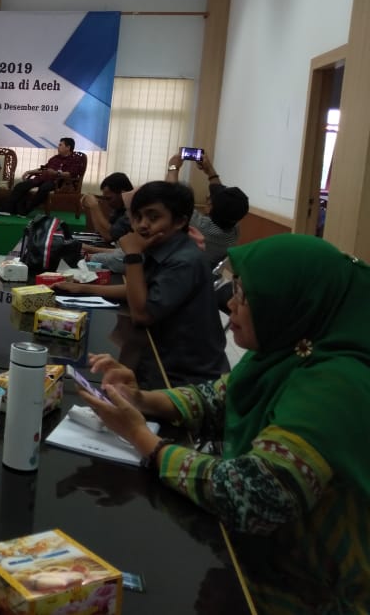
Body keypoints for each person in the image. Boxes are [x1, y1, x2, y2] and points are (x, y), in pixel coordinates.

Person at [80, 234, 370, 613]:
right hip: (264, 562)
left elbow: (252, 494)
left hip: (309, 591)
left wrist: (142, 438)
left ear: (293, 303)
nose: (230, 303)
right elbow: (217, 399)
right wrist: (142, 399)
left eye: (244, 296)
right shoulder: (289, 349)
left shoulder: (334, 385)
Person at [53, 181, 229, 386]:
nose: (143, 225)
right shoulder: (164, 246)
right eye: (138, 217)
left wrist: (133, 255)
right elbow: (140, 289)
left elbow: (142, 315)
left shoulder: (184, 261)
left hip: (185, 376)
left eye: (153, 217)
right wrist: (83, 288)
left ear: (180, 221)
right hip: (164, 356)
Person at [167, 151, 249, 267]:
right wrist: (210, 171)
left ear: (210, 207)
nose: (207, 197)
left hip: (188, 271)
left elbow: (171, 197)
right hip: (208, 272)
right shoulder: (234, 231)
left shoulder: (200, 226)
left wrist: (173, 167)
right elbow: (224, 201)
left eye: (210, 199)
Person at [6, 137, 85, 216]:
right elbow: (43, 169)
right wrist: (29, 172)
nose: (58, 147)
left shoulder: (75, 159)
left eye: (60, 145)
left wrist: (56, 173)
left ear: (68, 147)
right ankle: (7, 210)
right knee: (21, 185)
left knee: (44, 187)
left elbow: (71, 174)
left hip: (59, 182)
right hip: (43, 178)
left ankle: (25, 210)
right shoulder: (55, 158)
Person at [79, 172, 133, 243]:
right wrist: (92, 208)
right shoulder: (119, 208)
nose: (107, 203)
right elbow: (101, 231)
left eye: (109, 198)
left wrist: (94, 206)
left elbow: (109, 235)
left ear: (123, 194)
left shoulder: (133, 210)